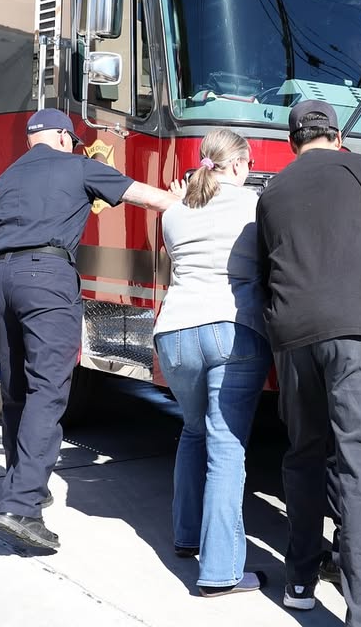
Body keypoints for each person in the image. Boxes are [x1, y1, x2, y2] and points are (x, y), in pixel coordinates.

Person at [256, 100, 361, 626]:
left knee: (305, 456)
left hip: (292, 337)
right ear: (336, 134)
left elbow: (266, 269)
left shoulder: (272, 191)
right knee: (360, 470)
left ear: (292, 141)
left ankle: (301, 582)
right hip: (355, 331)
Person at [0, 108, 178, 550]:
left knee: (15, 389)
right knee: (47, 390)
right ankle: (20, 508)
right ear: (64, 138)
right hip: (44, 278)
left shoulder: (5, 179)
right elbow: (151, 198)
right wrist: (195, 198)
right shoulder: (79, 165)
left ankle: (24, 481)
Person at [153, 128, 271, 596]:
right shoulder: (254, 206)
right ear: (240, 165)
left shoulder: (175, 212)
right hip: (232, 327)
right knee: (226, 448)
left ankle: (186, 537)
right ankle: (220, 571)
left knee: (193, 429)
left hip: (174, 333)